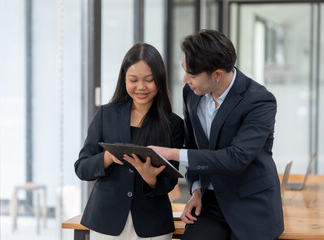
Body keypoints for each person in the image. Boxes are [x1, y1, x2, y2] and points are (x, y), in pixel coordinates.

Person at [150, 29, 284, 240]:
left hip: (251, 203)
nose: (185, 79)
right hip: (211, 201)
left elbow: (236, 158)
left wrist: (172, 154)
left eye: (192, 74)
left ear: (217, 74)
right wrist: (196, 191)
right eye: (184, 71)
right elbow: (195, 145)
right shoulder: (192, 94)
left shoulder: (259, 101)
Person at [74, 43, 184, 240]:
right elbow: (82, 168)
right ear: (124, 79)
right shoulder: (106, 114)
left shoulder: (173, 124)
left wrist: (150, 179)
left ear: (159, 80)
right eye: (133, 80)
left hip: (152, 224)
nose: (141, 87)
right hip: (106, 221)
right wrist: (107, 157)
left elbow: (170, 181)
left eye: (149, 80)